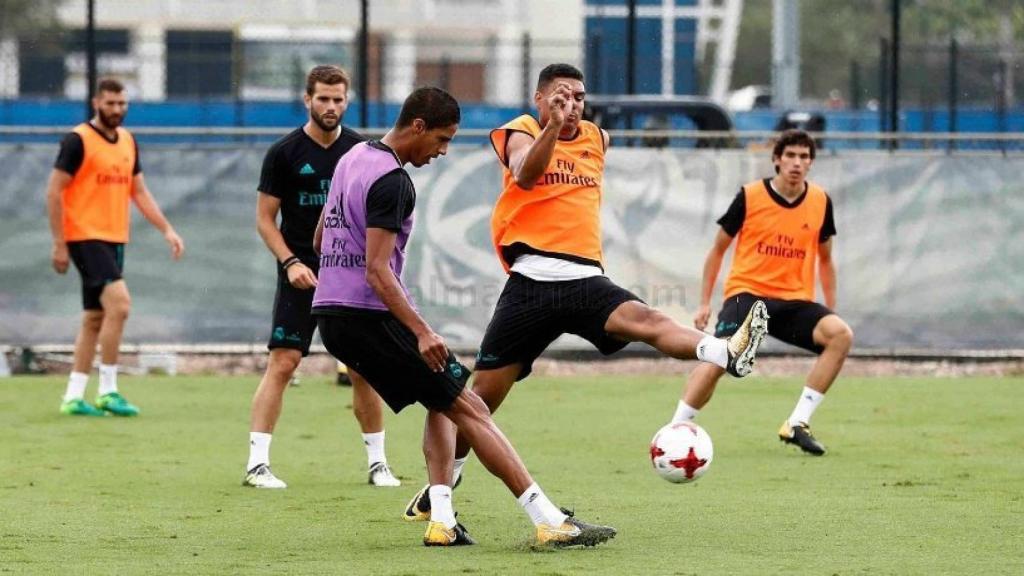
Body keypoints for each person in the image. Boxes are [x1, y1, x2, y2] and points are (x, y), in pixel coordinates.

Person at [403, 63, 769, 519]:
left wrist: (568, 126)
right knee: (482, 397)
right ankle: (446, 481)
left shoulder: (598, 137)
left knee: (647, 321)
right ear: (539, 99)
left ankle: (726, 352)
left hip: (582, 277)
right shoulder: (521, 130)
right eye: (561, 96)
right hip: (531, 281)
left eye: (578, 96)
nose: (571, 104)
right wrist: (553, 127)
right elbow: (526, 176)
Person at [312, 86, 615, 548]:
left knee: (445, 398)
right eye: (442, 139)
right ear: (418, 127)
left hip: (332, 312)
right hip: (367, 314)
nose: (443, 151)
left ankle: (442, 520)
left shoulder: (353, 157)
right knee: (470, 407)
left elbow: (320, 240)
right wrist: (421, 331)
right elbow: (376, 271)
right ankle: (549, 520)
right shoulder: (393, 181)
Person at [244, 65, 400, 489]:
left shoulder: (362, 152)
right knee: (284, 361)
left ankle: (378, 463)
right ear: (307, 100)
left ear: (347, 101)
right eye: (323, 99)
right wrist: (290, 262)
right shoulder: (284, 153)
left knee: (361, 367)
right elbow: (264, 220)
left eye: (338, 99)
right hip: (300, 274)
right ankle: (257, 464)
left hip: (347, 275)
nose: (331, 107)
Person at [670, 129, 854, 456]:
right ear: (777, 160)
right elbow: (717, 251)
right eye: (791, 156)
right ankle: (675, 429)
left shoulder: (820, 201)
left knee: (840, 335)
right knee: (719, 357)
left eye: (804, 157)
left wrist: (831, 308)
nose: (797, 163)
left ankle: (796, 423)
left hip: (794, 300)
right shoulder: (750, 195)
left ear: (811, 163)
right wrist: (703, 303)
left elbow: (826, 259)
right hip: (748, 295)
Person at [46, 77, 184, 417]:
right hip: (84, 236)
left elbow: (139, 191)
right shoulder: (78, 140)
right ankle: (108, 390)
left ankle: (73, 396)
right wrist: (59, 243)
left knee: (95, 317)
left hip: (113, 238)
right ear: (96, 102)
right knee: (120, 306)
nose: (117, 110)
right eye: (110, 103)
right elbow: (54, 192)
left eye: (122, 103)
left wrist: (166, 229)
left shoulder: (127, 141)